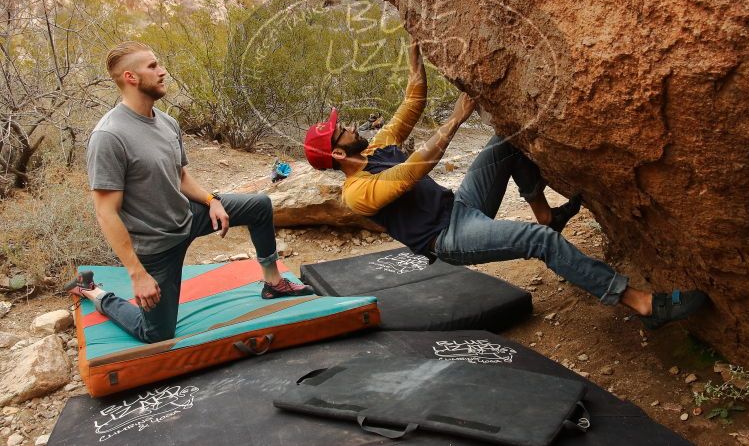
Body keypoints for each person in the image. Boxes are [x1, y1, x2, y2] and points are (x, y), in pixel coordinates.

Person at [304, 41, 707, 329]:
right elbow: (413, 170)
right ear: (337, 155)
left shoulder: (376, 147)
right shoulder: (356, 193)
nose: (349, 126)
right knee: (539, 243)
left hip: (460, 204)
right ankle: (642, 304)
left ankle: (545, 213)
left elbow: (412, 104)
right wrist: (455, 120)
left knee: (506, 141)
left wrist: (415, 58)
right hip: (450, 237)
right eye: (340, 130)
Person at [65, 42, 313, 344]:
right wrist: (137, 273)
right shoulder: (109, 136)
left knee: (259, 205)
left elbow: (180, 175)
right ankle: (94, 292)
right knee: (156, 334)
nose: (162, 71)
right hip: (157, 244)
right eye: (153, 66)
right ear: (130, 77)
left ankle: (273, 283)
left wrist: (211, 201)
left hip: (188, 216)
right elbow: (106, 212)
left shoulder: (166, 122)